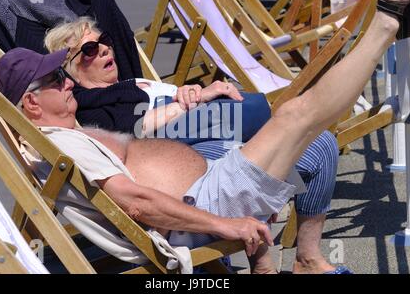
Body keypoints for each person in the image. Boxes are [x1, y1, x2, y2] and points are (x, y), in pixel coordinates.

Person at [0, 0, 410, 274]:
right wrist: (226, 226)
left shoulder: (71, 128)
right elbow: (136, 203)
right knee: (297, 115)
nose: (65, 81)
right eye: (56, 77)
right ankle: (387, 21)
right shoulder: (64, 145)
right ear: (30, 103)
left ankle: (389, 22)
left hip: (210, 179)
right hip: (205, 202)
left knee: (306, 127)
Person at [44, 17, 340, 273]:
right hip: (197, 180)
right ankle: (296, 261)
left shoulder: (130, 86)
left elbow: (170, 109)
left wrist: (188, 93)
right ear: (69, 74)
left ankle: (301, 259)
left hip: (216, 147)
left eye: (104, 41)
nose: (105, 49)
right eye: (89, 50)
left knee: (320, 143)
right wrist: (192, 103)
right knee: (318, 147)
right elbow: (135, 136)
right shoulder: (92, 108)